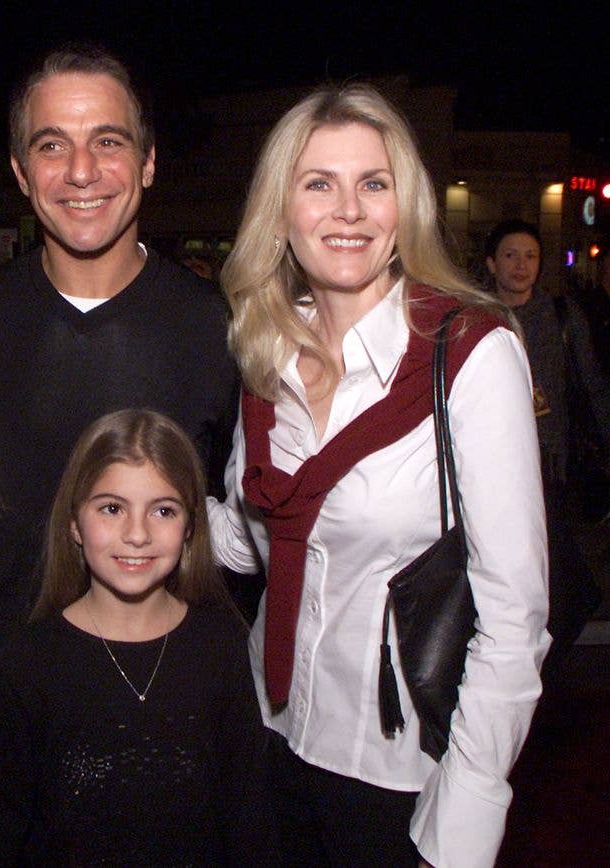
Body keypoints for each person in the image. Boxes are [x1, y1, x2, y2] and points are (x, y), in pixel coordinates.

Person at [211, 85, 549, 867]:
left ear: (406, 207)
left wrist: (463, 818)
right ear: (281, 211)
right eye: (319, 183)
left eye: (374, 183)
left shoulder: (469, 352)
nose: (349, 211)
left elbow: (515, 615)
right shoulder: (264, 355)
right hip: (269, 736)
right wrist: (136, 509)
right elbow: (248, 534)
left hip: (398, 774)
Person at [0, 45, 240, 661]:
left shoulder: (218, 328)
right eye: (50, 145)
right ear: (20, 173)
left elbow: (246, 532)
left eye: (108, 142)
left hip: (167, 694)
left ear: (148, 163)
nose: (79, 171)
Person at [0, 409, 273, 864]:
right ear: (74, 523)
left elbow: (251, 829)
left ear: (189, 527)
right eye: (112, 508)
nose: (136, 534)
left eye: (162, 511)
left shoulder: (222, 647)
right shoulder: (31, 661)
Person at [485, 219, 608, 659]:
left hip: (546, 461)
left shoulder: (560, 315)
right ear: (491, 263)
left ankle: (540, 653)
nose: (521, 266)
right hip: (490, 461)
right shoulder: (478, 315)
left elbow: (591, 383)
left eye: (531, 256)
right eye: (510, 255)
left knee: (553, 567)